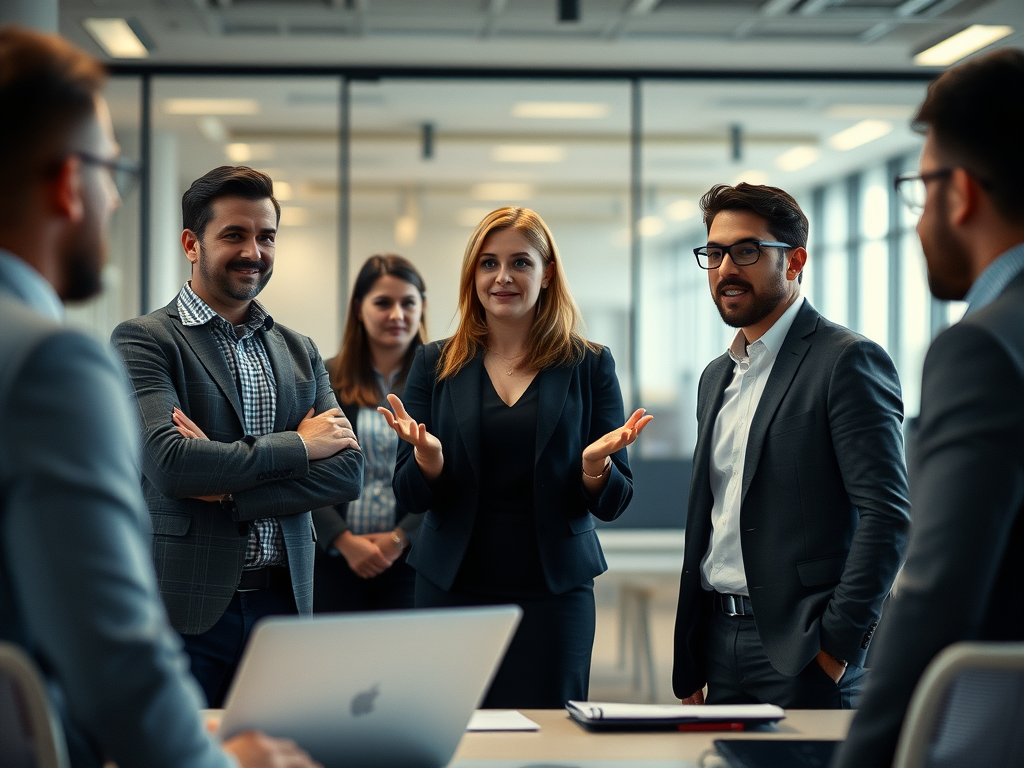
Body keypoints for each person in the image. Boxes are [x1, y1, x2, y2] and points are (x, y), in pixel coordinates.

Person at [0, 24, 319, 768]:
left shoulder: (295, 347)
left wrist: (231, 476)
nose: (114, 197)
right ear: (65, 184)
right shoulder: (53, 363)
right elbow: (114, 657)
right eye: (113, 171)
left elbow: (336, 476)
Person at [834, 48, 1024, 768]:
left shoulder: (981, 348)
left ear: (962, 193)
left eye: (919, 191)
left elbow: (935, 591)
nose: (916, 224)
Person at [111, 165, 363, 707]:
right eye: (234, 234)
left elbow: (347, 471)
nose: (254, 250)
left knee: (281, 756)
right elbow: (171, 463)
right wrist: (300, 446)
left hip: (286, 606)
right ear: (191, 243)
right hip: (189, 610)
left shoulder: (300, 350)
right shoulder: (145, 341)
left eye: (266, 236)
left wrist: (227, 489)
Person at [380, 206, 652, 708]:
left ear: (547, 274)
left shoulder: (589, 364)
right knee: (452, 733)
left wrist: (595, 469)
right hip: (452, 587)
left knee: (552, 741)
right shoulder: (433, 362)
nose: (503, 276)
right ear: (473, 275)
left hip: (554, 593)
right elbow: (408, 493)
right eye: (488, 263)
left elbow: (615, 500)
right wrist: (429, 460)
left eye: (521, 263)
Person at [672, 183, 911, 709]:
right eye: (714, 253)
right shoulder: (716, 377)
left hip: (804, 649)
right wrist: (691, 652)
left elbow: (887, 514)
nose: (725, 268)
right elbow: (711, 520)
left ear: (795, 260)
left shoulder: (846, 360)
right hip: (717, 641)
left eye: (747, 251)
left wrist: (837, 648)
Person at [312, 254, 426, 611]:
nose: (397, 315)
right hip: (333, 560)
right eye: (383, 303)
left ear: (422, 308)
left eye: (408, 303)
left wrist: (399, 538)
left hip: (412, 560)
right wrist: (343, 540)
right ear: (359, 309)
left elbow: (450, 475)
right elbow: (303, 468)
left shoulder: (442, 383)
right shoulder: (322, 377)